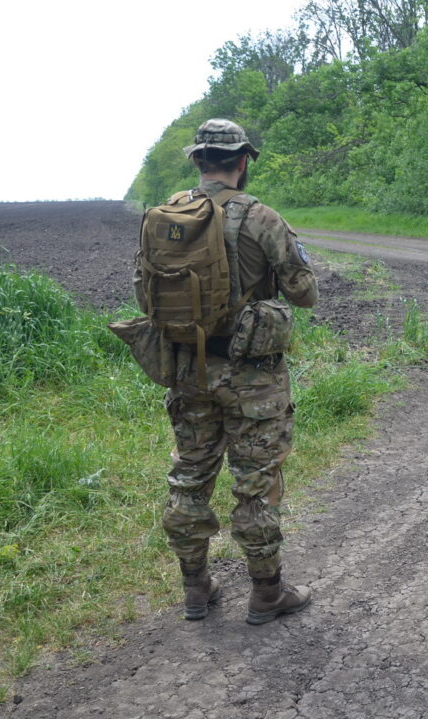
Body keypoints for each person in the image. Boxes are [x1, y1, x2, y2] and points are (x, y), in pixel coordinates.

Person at [136, 118, 319, 624]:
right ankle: (266, 593)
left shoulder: (164, 218)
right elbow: (305, 294)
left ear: (198, 161)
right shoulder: (261, 217)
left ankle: (195, 589)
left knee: (189, 478)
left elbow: (143, 295)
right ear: (242, 162)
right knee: (255, 485)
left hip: (187, 371)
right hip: (252, 378)